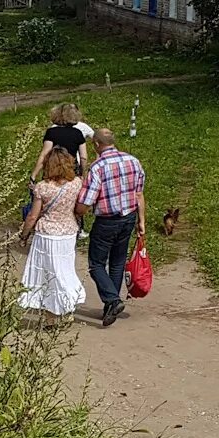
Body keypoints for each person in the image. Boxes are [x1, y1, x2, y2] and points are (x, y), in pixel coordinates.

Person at [76, 127, 145, 327]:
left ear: (96, 144)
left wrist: (77, 211)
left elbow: (87, 201)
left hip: (106, 221)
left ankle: (112, 300)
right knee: (117, 262)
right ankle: (110, 306)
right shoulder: (133, 161)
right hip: (129, 217)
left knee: (96, 264)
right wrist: (141, 221)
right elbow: (139, 194)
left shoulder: (98, 167)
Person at [16, 149, 87, 324]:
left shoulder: (42, 187)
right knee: (65, 270)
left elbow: (33, 216)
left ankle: (51, 315)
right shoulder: (77, 183)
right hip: (68, 233)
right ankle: (67, 307)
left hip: (47, 235)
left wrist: (24, 235)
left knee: (48, 274)